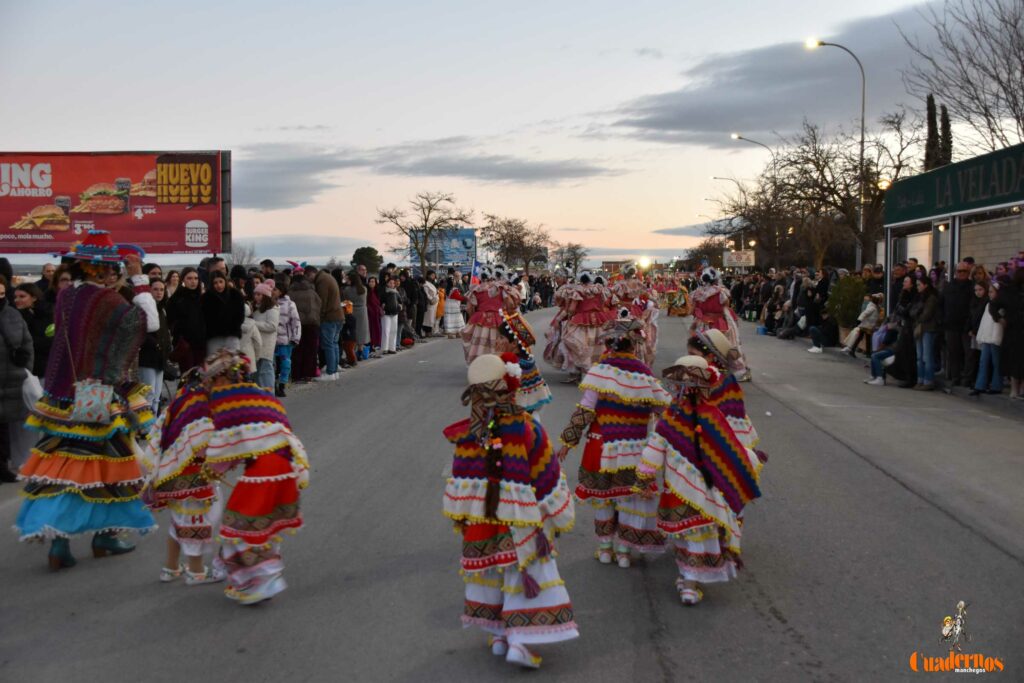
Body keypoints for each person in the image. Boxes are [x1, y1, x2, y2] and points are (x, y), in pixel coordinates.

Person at [15, 230, 159, 569]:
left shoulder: (67, 296)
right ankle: (104, 536)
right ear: (101, 269)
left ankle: (61, 544)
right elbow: (149, 323)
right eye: (110, 268)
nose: (113, 274)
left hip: (62, 398)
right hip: (97, 399)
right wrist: (138, 277)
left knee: (63, 464)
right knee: (111, 464)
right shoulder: (109, 302)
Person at [443, 353, 577, 669]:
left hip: (482, 521)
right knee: (523, 573)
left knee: (492, 571)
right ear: (510, 388)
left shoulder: (467, 434)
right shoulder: (528, 429)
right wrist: (556, 512)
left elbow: (459, 480)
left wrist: (462, 518)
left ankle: (500, 634)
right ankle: (519, 640)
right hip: (521, 521)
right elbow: (547, 475)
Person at [637, 356, 763, 606]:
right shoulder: (714, 416)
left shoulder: (669, 419)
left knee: (686, 534)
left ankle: (687, 581)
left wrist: (644, 477)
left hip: (678, 492)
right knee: (700, 535)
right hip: (708, 495)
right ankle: (690, 583)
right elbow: (732, 452)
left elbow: (652, 452)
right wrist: (751, 461)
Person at [187, 350, 310, 604]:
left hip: (264, 472)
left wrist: (210, 470)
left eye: (211, 380)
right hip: (287, 467)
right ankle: (256, 578)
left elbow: (225, 445)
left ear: (220, 378)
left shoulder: (226, 401)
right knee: (263, 525)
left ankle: (261, 582)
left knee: (238, 527)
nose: (208, 386)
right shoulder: (262, 394)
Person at [556, 312, 671, 567]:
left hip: (601, 445)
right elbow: (665, 412)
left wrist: (567, 442)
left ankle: (606, 548)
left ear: (608, 345)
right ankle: (623, 551)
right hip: (636, 449)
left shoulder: (600, 372)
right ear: (635, 345)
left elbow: (584, 412)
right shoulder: (645, 375)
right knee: (629, 498)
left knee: (604, 496)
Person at [0, 277, 33, 483]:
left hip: (10, 380)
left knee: (4, 428)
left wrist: (24, 370)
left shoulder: (12, 315)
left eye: (2, 294)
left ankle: (2, 466)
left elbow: (27, 344)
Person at [691, 267, 751, 381]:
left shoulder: (697, 293)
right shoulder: (721, 292)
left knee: (704, 346)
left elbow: (692, 310)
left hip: (703, 323)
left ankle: (705, 369)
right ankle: (735, 370)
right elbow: (725, 305)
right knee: (728, 346)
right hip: (720, 322)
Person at [559, 272, 616, 383]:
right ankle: (597, 375)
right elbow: (605, 302)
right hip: (598, 319)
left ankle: (583, 374)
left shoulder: (578, 290)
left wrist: (570, 316)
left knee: (580, 345)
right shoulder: (599, 289)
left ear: (580, 280)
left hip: (582, 320)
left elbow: (571, 308)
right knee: (597, 346)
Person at [461, 265, 522, 365]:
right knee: (497, 343)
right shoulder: (501, 288)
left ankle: (479, 364)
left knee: (479, 344)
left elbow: (469, 308)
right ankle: (496, 365)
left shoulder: (476, 289)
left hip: (480, 318)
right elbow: (511, 304)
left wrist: (474, 316)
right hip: (498, 318)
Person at [496, 310, 551, 414]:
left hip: (511, 418)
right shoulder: (529, 362)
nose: (496, 341)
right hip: (531, 417)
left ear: (514, 343)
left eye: (501, 337)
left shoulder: (510, 365)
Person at [138, 278, 172, 414]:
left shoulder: (162, 310)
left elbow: (165, 331)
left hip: (161, 356)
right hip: (147, 356)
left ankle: (153, 425)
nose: (159, 292)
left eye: (162, 290)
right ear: (149, 290)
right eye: (155, 289)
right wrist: (156, 344)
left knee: (157, 395)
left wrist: (167, 345)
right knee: (148, 393)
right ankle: (146, 427)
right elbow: (141, 332)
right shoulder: (144, 310)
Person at [940, 262, 974, 387]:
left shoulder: (971, 287)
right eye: (959, 271)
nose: (962, 274)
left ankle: (967, 377)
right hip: (950, 325)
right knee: (953, 353)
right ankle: (955, 377)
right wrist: (943, 320)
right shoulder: (948, 287)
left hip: (966, 326)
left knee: (968, 353)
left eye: (964, 271)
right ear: (955, 273)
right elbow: (941, 303)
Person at [307, 265, 343, 381]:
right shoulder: (327, 277)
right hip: (338, 316)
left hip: (329, 317)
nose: (309, 280)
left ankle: (330, 372)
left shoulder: (322, 281)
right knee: (334, 343)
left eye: (308, 277)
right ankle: (335, 370)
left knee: (328, 345)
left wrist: (319, 318)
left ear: (311, 274)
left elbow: (321, 302)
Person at [166, 267, 207, 370]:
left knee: (201, 377)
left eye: (196, 278)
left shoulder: (201, 298)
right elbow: (170, 321)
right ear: (183, 279)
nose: (193, 281)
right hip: (185, 345)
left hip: (201, 344)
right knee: (188, 376)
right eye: (189, 278)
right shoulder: (176, 298)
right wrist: (180, 336)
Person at [970, 282, 1005, 397]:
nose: (989, 294)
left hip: (995, 336)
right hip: (987, 336)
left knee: (996, 362)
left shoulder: (1001, 306)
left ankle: (996, 385)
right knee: (983, 361)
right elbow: (985, 322)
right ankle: (980, 385)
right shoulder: (988, 304)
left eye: (991, 292)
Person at [289, 264, 321, 381]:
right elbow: (319, 304)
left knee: (297, 350)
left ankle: (297, 374)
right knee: (310, 350)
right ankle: (308, 374)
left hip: (296, 325)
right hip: (312, 324)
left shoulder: (290, 292)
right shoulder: (311, 291)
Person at [14, 282, 53, 378]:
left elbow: (48, 341)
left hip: (42, 368)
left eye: (22, 296)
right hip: (23, 368)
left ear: (34, 298)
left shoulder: (47, 315)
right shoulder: (16, 315)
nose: (16, 300)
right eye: (15, 297)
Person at [202, 271, 245, 355]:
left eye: (221, 281)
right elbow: (205, 318)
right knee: (214, 364)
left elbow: (240, 315)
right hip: (214, 337)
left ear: (225, 281)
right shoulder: (206, 298)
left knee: (234, 364)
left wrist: (233, 327)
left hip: (232, 335)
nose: (219, 285)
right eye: (215, 283)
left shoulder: (235, 295)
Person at [273, 278, 301, 397]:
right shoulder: (268, 303)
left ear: (281, 291)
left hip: (285, 341)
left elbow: (296, 322)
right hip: (272, 341)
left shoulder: (290, 304)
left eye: (275, 289)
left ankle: (282, 385)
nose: (273, 291)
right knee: (273, 365)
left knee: (285, 363)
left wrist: (296, 338)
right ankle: (273, 385)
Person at [912, 277, 940, 391]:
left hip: (928, 328)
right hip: (920, 328)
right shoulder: (920, 297)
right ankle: (920, 379)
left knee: (927, 356)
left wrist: (918, 316)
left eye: (919, 284)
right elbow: (913, 311)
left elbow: (927, 314)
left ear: (926, 285)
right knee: (920, 357)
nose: (917, 287)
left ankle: (928, 380)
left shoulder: (931, 298)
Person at [251, 282, 280, 390]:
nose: (256, 297)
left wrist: (254, 324)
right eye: (256, 294)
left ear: (266, 296)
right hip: (257, 344)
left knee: (266, 370)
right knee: (258, 372)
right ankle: (260, 397)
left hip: (267, 344)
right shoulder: (256, 309)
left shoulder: (272, 309)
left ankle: (269, 395)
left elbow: (272, 326)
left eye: (259, 294)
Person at [381, 276, 401, 354]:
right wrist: (383, 306)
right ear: (387, 283)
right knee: (386, 330)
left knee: (393, 330)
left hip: (395, 313)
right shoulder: (384, 292)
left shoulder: (396, 292)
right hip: (386, 314)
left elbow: (400, 301)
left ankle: (392, 348)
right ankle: (384, 348)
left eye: (393, 283)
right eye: (390, 283)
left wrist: (399, 307)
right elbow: (381, 301)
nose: (392, 284)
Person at [366, 275, 384, 353]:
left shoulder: (377, 291)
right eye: (370, 281)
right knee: (370, 330)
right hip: (369, 314)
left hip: (376, 314)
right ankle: (370, 345)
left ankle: (375, 344)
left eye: (373, 282)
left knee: (377, 329)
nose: (372, 283)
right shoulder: (367, 291)